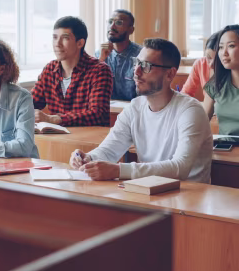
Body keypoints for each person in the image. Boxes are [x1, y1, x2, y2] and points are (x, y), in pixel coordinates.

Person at [70, 38, 212, 182]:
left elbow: (180, 168)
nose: (136, 72)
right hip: (148, 191)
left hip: (188, 197)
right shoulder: (134, 108)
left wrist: (118, 170)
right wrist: (89, 158)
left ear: (169, 74)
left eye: (146, 66)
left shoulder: (191, 111)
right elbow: (109, 150)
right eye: (136, 63)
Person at [32, 16, 113, 126]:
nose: (57, 43)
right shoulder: (49, 69)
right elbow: (31, 103)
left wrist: (55, 119)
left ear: (80, 43)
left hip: (88, 140)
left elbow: (98, 115)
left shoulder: (99, 70)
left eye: (65, 38)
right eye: (55, 37)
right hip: (57, 139)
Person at [95, 10, 142, 101]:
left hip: (134, 111)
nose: (112, 26)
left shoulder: (141, 55)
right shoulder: (99, 54)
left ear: (131, 30)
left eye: (119, 23)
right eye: (110, 22)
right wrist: (101, 59)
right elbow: (91, 88)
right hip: (108, 111)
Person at [204, 24, 239, 135]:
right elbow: (201, 124)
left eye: (231, 46)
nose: (224, 53)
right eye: (220, 47)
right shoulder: (216, 83)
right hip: (225, 149)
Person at [181, 32, 220, 98]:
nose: (211, 64)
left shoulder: (231, 68)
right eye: (208, 57)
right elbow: (186, 93)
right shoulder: (200, 64)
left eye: (217, 60)